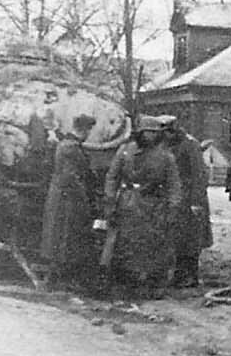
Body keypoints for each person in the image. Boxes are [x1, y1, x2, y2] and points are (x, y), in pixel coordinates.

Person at [102, 115, 183, 298]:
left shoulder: (166, 157)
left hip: (153, 206)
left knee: (152, 246)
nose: (150, 137)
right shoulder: (125, 151)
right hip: (128, 204)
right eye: (147, 132)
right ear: (140, 132)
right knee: (124, 245)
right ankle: (124, 283)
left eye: (155, 133)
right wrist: (110, 200)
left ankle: (150, 285)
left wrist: (172, 208)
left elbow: (174, 185)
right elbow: (112, 176)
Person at [41, 114, 98, 289]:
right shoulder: (71, 147)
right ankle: (57, 280)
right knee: (65, 238)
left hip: (62, 196)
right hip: (67, 198)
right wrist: (84, 198)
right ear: (84, 130)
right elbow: (71, 176)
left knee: (60, 237)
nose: (89, 134)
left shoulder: (66, 144)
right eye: (89, 130)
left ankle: (55, 278)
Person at [159, 115, 212, 288]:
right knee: (177, 239)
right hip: (175, 197)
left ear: (172, 130)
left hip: (190, 198)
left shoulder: (190, 145)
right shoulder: (166, 145)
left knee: (191, 240)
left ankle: (190, 276)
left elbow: (199, 174)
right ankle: (179, 274)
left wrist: (196, 201)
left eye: (166, 132)